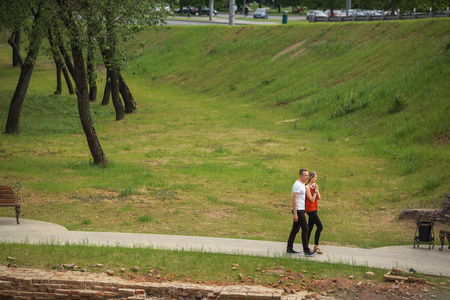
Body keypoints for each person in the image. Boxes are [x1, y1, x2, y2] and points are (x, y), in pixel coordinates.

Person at [287, 168, 317, 256]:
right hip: (298, 210)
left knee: (295, 229)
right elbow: (294, 200)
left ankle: (289, 248)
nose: (307, 177)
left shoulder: (302, 184)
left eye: (308, 175)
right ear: (301, 176)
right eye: (306, 175)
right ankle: (306, 250)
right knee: (306, 229)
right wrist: (295, 214)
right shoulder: (297, 185)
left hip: (301, 209)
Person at [306, 171, 323, 254]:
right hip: (310, 209)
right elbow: (312, 199)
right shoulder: (307, 187)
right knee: (320, 226)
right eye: (315, 177)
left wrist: (317, 189)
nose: (316, 179)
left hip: (315, 208)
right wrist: (315, 191)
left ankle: (306, 246)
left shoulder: (314, 186)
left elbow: (319, 198)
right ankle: (316, 246)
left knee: (310, 228)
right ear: (311, 177)